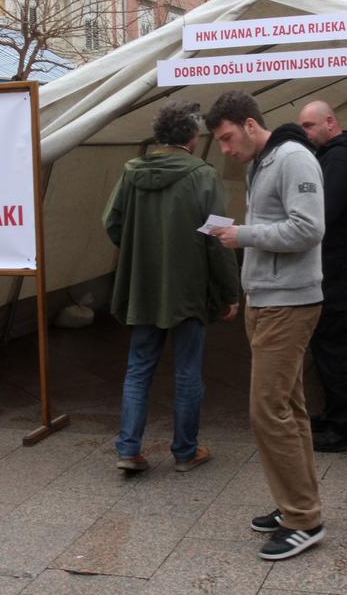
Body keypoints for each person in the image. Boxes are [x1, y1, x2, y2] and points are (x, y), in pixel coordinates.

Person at [205, 90, 327, 561]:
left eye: (229, 138)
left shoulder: (294, 159)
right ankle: (296, 505)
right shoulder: (264, 161)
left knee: (267, 411)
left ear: (250, 125)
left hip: (288, 304)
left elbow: (309, 228)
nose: (227, 150)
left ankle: (304, 520)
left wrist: (244, 235)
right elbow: (278, 226)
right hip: (266, 300)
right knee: (288, 409)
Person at [103, 100, 240, 474]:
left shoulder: (132, 171)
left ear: (159, 134)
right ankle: (184, 452)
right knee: (187, 371)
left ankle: (128, 449)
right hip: (188, 289)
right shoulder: (203, 174)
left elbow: (111, 222)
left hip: (143, 286)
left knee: (138, 367)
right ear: (193, 136)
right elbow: (218, 236)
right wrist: (230, 291)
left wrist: (138, 251)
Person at [298, 100, 347, 452]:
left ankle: (346, 429)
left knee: (335, 347)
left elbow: (322, 215)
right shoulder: (346, 155)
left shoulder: (339, 159)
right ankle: (334, 415)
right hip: (344, 263)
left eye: (310, 126)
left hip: (338, 266)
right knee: (331, 346)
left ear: (330, 122)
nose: (306, 134)